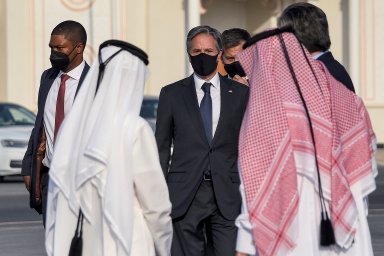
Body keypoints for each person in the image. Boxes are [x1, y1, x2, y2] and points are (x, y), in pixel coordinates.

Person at [235, 27, 377, 256]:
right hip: (348, 231)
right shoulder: (346, 100)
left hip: (294, 234)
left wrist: (242, 247)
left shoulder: (267, 112)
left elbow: (254, 185)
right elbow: (365, 168)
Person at [45, 40, 173, 256]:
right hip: (127, 242)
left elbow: (57, 195)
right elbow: (155, 205)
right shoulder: (134, 128)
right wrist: (165, 246)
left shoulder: (73, 126)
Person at [155, 25, 249, 256]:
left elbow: (248, 146)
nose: (202, 56)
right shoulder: (171, 94)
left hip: (227, 194)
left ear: (218, 53)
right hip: (185, 195)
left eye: (208, 51)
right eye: (196, 52)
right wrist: (159, 194)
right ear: (188, 54)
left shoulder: (239, 93)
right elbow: (161, 147)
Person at [21, 20, 90, 224]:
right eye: (51, 47)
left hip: (83, 180)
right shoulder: (48, 78)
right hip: (49, 178)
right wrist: (28, 167)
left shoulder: (97, 82)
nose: (54, 53)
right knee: (54, 245)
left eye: (60, 48)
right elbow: (40, 125)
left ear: (79, 48)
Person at [277, 2, 355, 93]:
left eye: (283, 35)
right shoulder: (326, 68)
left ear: (297, 36)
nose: (281, 41)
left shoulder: (322, 73)